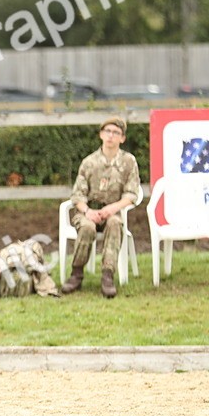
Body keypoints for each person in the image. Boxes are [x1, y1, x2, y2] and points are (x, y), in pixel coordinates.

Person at [62, 116, 141, 298]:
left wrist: (113, 208)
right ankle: (76, 274)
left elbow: (131, 194)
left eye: (116, 133)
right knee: (87, 228)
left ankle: (107, 275)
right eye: (108, 131)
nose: (111, 136)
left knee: (114, 224)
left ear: (122, 138)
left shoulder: (129, 162)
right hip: (88, 211)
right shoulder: (89, 162)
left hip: (112, 211)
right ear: (101, 135)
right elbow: (78, 195)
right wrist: (88, 211)